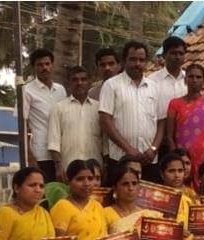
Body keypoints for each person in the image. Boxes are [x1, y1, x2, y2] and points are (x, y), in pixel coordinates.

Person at [99, 40, 165, 185]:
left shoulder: (155, 87)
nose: (137, 63)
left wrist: (153, 149)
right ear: (123, 61)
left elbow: (161, 122)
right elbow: (105, 120)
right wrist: (129, 149)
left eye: (141, 60)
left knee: (149, 198)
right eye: (133, 59)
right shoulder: (111, 85)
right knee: (121, 197)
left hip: (149, 159)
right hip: (121, 159)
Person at [165, 63, 204, 189]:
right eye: (191, 77)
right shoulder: (175, 104)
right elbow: (169, 136)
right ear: (185, 80)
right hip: (183, 157)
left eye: (198, 77)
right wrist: (176, 159)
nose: (194, 80)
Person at [48, 66, 102, 182]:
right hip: (69, 170)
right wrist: (58, 166)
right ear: (69, 83)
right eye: (75, 80)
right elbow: (53, 141)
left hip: (95, 170)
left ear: (89, 83)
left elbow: (105, 141)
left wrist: (105, 166)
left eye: (83, 79)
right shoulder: (59, 108)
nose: (79, 83)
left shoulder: (99, 108)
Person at [22, 48, 67, 182]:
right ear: (34, 68)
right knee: (44, 192)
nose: (44, 68)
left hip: (63, 153)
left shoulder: (61, 90)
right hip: (41, 155)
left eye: (47, 64)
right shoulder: (26, 90)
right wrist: (30, 157)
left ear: (52, 65)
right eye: (40, 65)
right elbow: (22, 126)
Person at [149, 36, 187, 116]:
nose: (178, 57)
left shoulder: (191, 79)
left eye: (181, 53)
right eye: (173, 53)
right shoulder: (152, 81)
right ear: (164, 55)